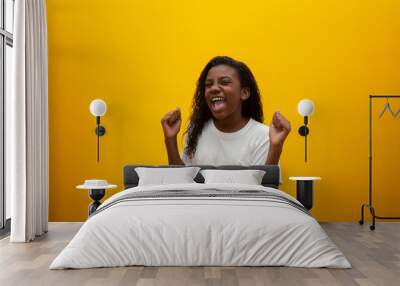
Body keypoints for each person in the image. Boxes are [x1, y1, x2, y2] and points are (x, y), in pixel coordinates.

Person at [161, 56, 291, 166]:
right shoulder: (195, 130)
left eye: (224, 82)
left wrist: (276, 148)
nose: (214, 88)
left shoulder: (263, 136)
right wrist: (170, 139)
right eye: (208, 84)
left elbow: (264, 191)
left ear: (244, 93)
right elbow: (182, 182)